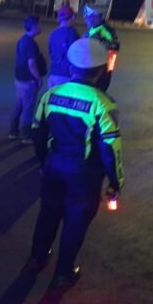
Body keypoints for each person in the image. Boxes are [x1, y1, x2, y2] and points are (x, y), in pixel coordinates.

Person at [25, 38, 124, 289]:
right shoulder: (103, 103)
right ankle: (63, 273)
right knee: (75, 223)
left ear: (71, 67)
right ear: (101, 71)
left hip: (54, 166)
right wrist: (115, 182)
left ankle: (37, 258)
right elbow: (110, 149)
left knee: (48, 213)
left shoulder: (51, 95)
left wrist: (44, 162)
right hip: (84, 175)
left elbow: (37, 132)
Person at [9, 15, 46, 144]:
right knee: (28, 108)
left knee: (19, 105)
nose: (40, 27)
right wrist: (38, 78)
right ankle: (26, 135)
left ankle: (13, 131)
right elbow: (32, 64)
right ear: (34, 27)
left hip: (20, 79)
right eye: (39, 25)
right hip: (28, 80)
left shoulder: (22, 40)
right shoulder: (30, 43)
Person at [83, 4, 120, 91]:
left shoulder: (105, 30)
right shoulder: (94, 29)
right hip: (93, 70)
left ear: (96, 17)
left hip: (100, 72)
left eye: (88, 17)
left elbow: (115, 46)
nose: (85, 19)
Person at [48, 6, 80, 88]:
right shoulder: (72, 33)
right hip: (67, 75)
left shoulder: (53, 33)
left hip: (53, 73)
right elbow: (76, 55)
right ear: (72, 17)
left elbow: (50, 52)